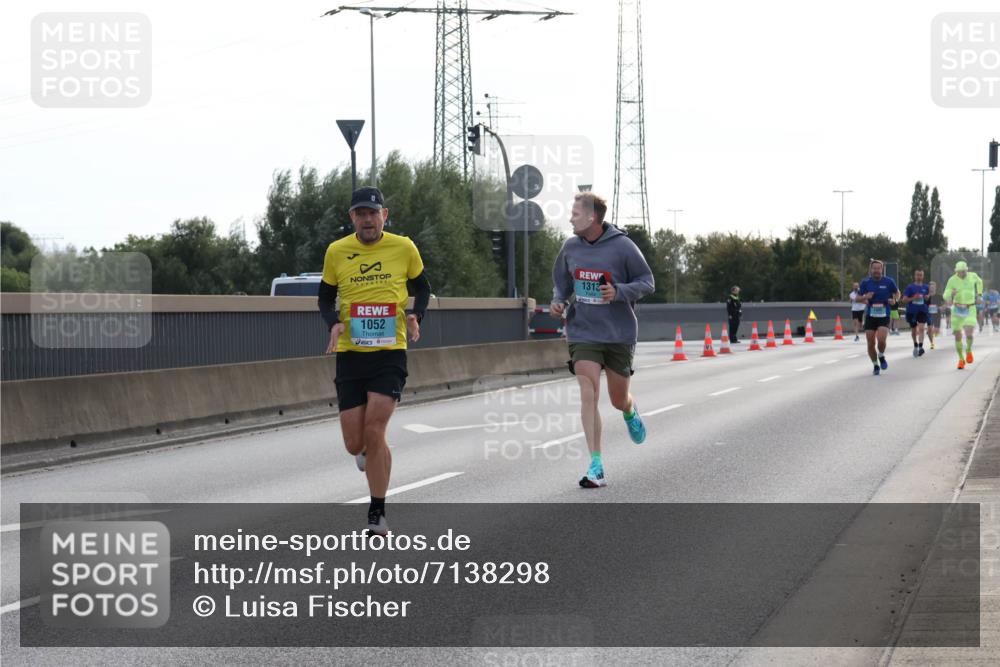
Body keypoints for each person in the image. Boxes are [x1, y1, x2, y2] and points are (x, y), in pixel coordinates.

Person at [318, 186, 431, 535]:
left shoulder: (403, 246)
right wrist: (334, 323)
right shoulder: (337, 251)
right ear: (352, 217)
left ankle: (377, 514)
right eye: (360, 213)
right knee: (356, 442)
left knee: (375, 428)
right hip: (351, 355)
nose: (367, 219)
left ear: (385, 214)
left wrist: (416, 316)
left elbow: (423, 287)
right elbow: (324, 298)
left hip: (389, 352)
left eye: (373, 212)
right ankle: (372, 452)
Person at [551, 192, 654, 488]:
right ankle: (596, 464)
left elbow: (647, 282)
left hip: (618, 333)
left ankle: (630, 410)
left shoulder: (623, 246)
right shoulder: (570, 247)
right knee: (588, 392)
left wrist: (618, 292)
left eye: (575, 213)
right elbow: (561, 285)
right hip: (583, 331)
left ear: (592, 217)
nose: (571, 218)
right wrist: (558, 302)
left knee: (617, 399)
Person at [855, 260, 899, 375]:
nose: (876, 270)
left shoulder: (889, 282)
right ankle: (875, 364)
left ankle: (881, 355)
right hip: (870, 315)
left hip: (884, 314)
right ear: (871, 269)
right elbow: (857, 298)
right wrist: (865, 296)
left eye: (878, 268)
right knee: (870, 343)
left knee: (881, 339)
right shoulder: (865, 282)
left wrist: (894, 300)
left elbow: (897, 292)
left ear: (882, 269)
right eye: (874, 268)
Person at [942, 260, 981, 370]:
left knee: (969, 331)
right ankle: (961, 359)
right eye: (960, 272)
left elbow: (980, 282)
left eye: (964, 272)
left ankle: (968, 350)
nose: (962, 274)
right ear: (956, 272)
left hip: (970, 307)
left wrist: (979, 295)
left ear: (967, 270)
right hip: (957, 310)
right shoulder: (952, 280)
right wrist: (950, 295)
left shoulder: (973, 276)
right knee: (957, 335)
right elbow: (945, 294)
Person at [901, 269, 929, 357]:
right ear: (915, 276)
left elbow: (928, 299)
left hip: (922, 310)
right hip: (912, 312)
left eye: (921, 275)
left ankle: (921, 347)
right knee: (913, 330)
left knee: (921, 328)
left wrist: (927, 297)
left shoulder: (926, 287)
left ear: (923, 276)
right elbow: (904, 300)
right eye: (918, 275)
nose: (919, 277)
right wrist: (913, 298)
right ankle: (915, 345)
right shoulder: (910, 287)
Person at [927, 281, 940, 349]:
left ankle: (935, 333)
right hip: (929, 315)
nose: (931, 288)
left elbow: (944, 304)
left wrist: (941, 307)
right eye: (930, 287)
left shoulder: (938, 296)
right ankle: (932, 343)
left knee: (936, 331)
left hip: (937, 315)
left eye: (933, 287)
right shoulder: (926, 296)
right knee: (929, 330)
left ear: (935, 288)